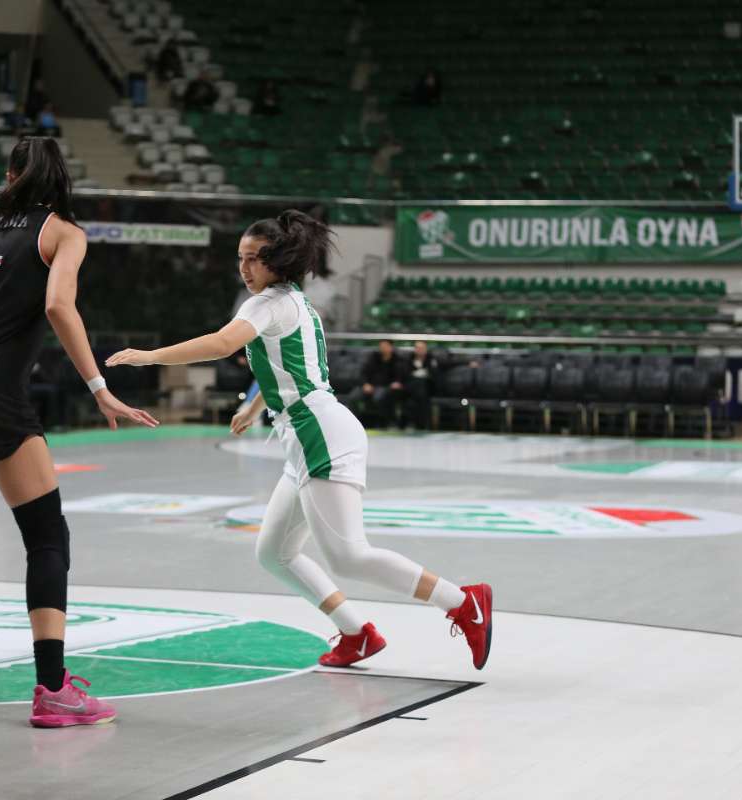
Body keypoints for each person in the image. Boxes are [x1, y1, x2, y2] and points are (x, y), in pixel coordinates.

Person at [106, 210, 492, 670]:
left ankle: (462, 602)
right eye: (240, 259)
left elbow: (222, 344)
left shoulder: (265, 304)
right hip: (311, 432)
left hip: (318, 435)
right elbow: (292, 366)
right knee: (275, 552)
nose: (244, 268)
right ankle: (357, 633)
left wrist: (150, 357)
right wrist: (254, 407)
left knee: (348, 555)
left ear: (277, 261)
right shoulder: (296, 302)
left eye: (253, 259)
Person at [0, 137, 159, 729]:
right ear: (61, 179)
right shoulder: (64, 232)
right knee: (45, 535)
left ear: (11, 175)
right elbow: (61, 308)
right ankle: (53, 688)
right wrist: (98, 388)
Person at [356, 339, 406, 428]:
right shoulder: (373, 357)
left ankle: (380, 424)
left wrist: (397, 383)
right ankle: (356, 424)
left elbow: (400, 376)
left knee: (379, 397)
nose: (383, 348)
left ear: (391, 347)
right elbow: (363, 373)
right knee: (354, 397)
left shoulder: (397, 360)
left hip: (387, 387)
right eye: (381, 346)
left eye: (385, 346)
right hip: (370, 385)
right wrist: (365, 384)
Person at [404, 340, 438, 430]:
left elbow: (434, 374)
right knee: (416, 389)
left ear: (426, 349)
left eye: (421, 348)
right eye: (417, 348)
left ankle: (415, 423)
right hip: (412, 388)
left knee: (420, 386)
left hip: (428, 388)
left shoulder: (431, 359)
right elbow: (405, 374)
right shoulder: (409, 359)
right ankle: (420, 423)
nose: (419, 350)